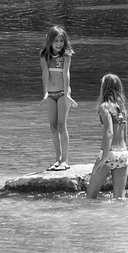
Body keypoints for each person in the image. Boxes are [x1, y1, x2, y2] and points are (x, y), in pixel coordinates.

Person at [86, 74, 128, 200]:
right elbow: (125, 135)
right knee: (120, 197)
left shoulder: (104, 107)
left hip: (109, 153)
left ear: (104, 88)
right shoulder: (122, 109)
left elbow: (109, 132)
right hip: (123, 153)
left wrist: (104, 157)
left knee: (91, 195)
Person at [40, 24, 77, 170]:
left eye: (61, 41)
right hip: (50, 94)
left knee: (62, 125)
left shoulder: (66, 55)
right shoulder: (44, 55)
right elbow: (45, 74)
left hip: (62, 93)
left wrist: (67, 93)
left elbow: (66, 73)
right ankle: (57, 159)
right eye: (56, 41)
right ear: (50, 41)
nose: (59, 44)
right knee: (53, 126)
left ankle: (65, 160)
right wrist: (45, 93)